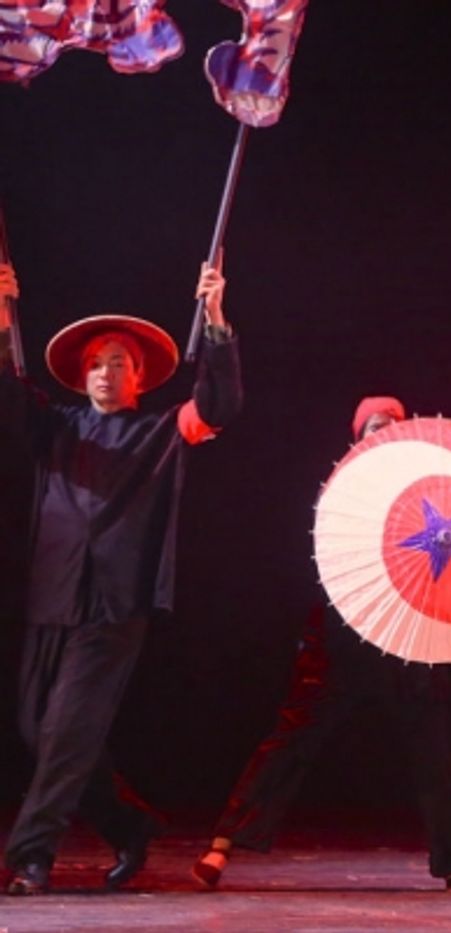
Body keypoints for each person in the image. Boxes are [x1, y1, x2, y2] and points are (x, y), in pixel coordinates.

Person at [0, 259, 242, 896]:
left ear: (138, 377)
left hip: (115, 604)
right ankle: (130, 826)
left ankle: (29, 857)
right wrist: (1, 320)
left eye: (118, 362)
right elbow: (6, 392)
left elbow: (218, 404)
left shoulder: (161, 430)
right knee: (38, 730)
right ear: (83, 377)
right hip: (53, 597)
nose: (105, 372)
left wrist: (215, 324)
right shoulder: (56, 427)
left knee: (65, 732)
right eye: (97, 363)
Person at [191, 396, 451, 892]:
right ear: (358, 435)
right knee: (291, 740)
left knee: (434, 754)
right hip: (344, 635)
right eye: (373, 426)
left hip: (409, 639)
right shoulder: (341, 491)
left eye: (391, 426)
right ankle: (223, 845)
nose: (382, 432)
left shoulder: (433, 494)